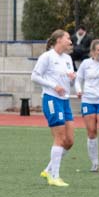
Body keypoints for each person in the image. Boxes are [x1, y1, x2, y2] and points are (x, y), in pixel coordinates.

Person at [30, 29, 77, 187]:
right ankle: (54, 176)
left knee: (69, 141)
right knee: (60, 138)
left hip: (64, 101)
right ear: (59, 40)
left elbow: (70, 81)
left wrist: (72, 79)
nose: (70, 41)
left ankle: (48, 170)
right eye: (67, 38)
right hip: (51, 99)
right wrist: (53, 85)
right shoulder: (47, 57)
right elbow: (35, 76)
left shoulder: (68, 58)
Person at [75, 38, 99, 172]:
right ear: (92, 52)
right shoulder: (86, 64)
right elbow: (78, 79)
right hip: (88, 100)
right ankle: (94, 163)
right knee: (91, 132)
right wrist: (79, 90)